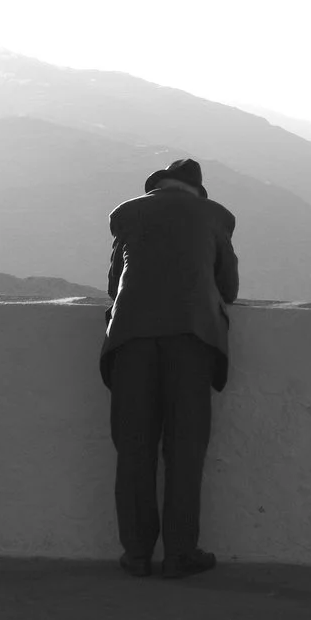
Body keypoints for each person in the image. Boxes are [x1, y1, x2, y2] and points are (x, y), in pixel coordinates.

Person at [98, 157, 239, 579]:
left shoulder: (128, 213)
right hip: (191, 341)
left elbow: (113, 285)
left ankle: (137, 554)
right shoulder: (215, 217)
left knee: (134, 449)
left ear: (157, 186)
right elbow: (228, 289)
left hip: (131, 340)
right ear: (197, 192)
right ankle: (180, 553)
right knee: (185, 450)